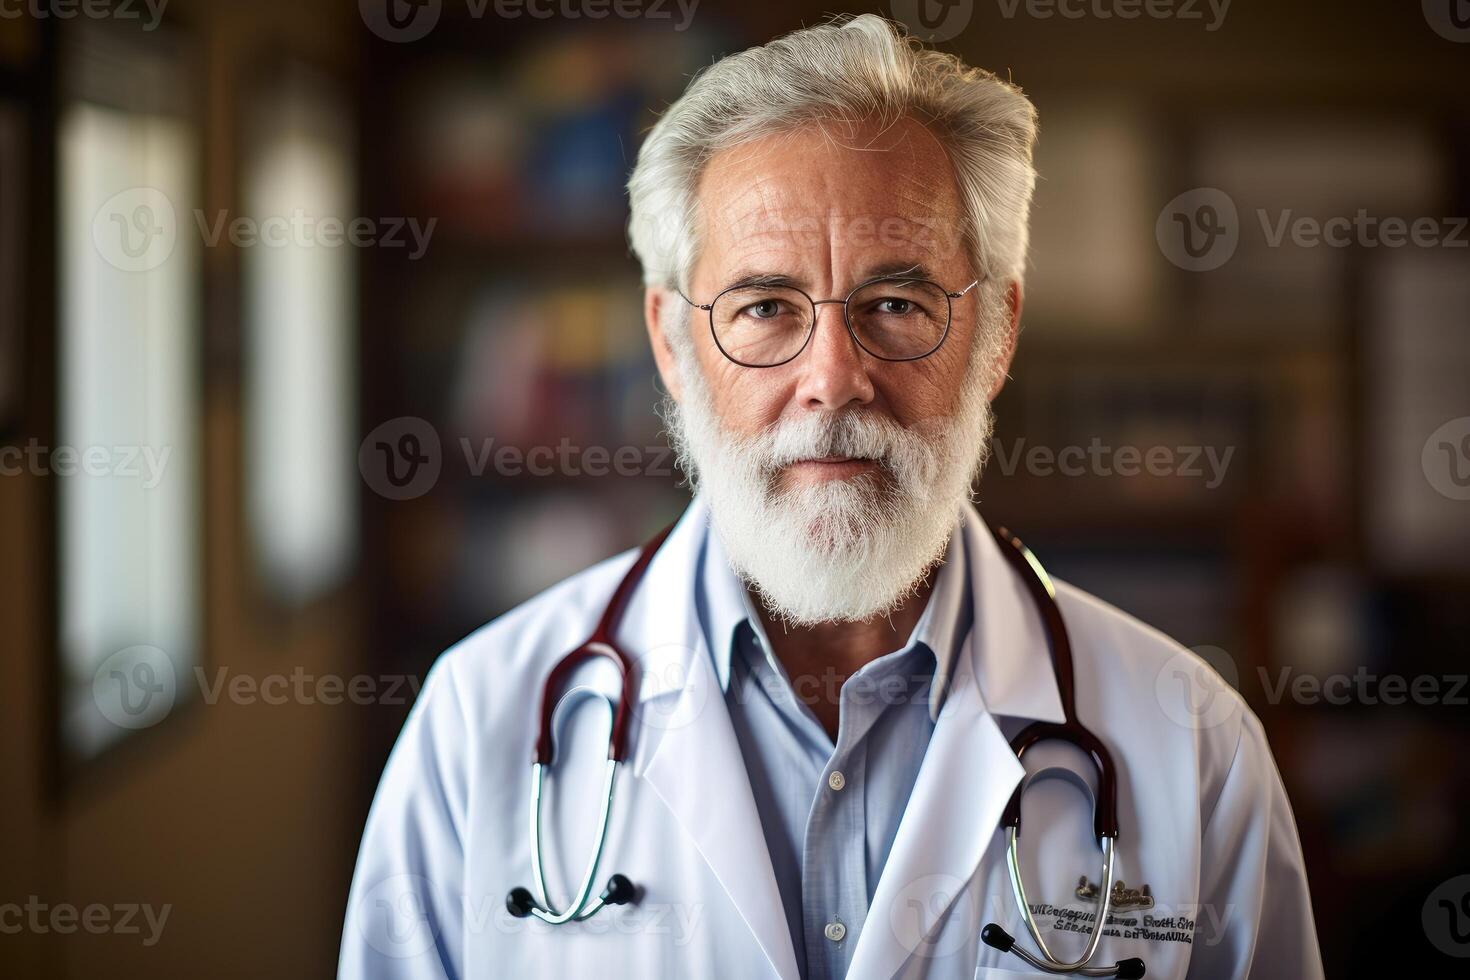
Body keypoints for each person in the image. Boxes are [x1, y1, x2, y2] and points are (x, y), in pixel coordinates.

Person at [340, 15, 1323, 979]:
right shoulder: (477, 728)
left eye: (895, 303)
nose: (833, 377)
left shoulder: (1191, 745)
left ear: (996, 335)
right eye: (766, 307)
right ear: (673, 345)